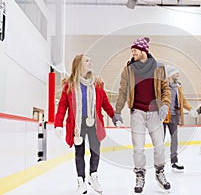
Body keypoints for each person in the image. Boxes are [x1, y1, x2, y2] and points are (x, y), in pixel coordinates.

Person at [113, 37, 171, 194]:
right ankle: (139, 175)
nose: (133, 54)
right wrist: (117, 111)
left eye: (135, 51)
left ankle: (160, 173)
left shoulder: (158, 68)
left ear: (144, 50)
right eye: (132, 51)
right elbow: (123, 90)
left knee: (159, 146)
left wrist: (165, 104)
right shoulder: (129, 69)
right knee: (138, 148)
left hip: (155, 113)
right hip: (137, 112)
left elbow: (166, 88)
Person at [54, 54, 115, 194]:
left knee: (95, 151)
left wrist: (114, 116)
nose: (90, 62)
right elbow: (63, 106)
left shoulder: (97, 83)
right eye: (86, 60)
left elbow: (105, 102)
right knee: (79, 153)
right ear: (78, 65)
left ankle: (93, 176)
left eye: (90, 59)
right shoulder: (69, 85)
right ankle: (81, 181)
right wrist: (58, 124)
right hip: (77, 124)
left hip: (94, 122)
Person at [163, 65, 193, 172]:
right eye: (176, 73)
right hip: (162, 117)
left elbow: (183, 101)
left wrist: (190, 109)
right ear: (171, 74)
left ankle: (174, 161)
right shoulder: (163, 86)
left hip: (174, 116)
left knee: (174, 140)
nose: (178, 75)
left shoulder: (178, 87)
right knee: (160, 140)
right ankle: (159, 162)